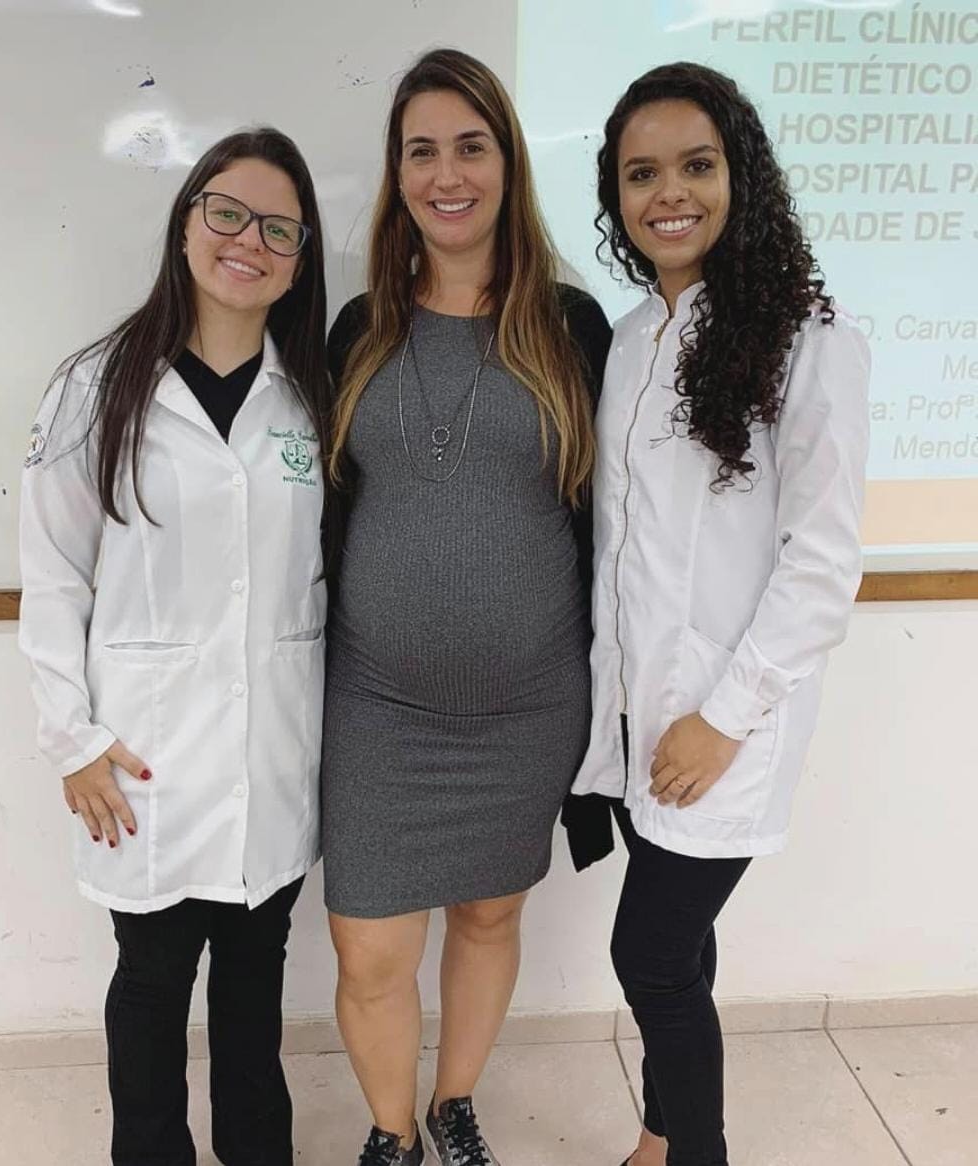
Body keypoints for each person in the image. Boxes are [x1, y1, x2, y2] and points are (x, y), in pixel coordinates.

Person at [564, 62, 870, 1166]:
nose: (669, 193)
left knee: (648, 953)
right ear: (616, 192)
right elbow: (622, 552)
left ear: (742, 173)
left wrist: (723, 716)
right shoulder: (635, 338)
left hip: (723, 725)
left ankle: (697, 1151)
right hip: (646, 719)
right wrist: (618, 722)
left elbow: (824, 564)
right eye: (641, 173)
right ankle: (661, 1133)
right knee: (680, 953)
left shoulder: (808, 336)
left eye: (696, 164)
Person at [321, 47, 611, 1166]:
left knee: (491, 917)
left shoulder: (574, 330)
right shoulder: (356, 329)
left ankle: (453, 1104)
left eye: (471, 145)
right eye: (422, 150)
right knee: (370, 953)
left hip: (526, 707)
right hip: (379, 706)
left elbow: (610, 522)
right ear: (398, 175)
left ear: (508, 161)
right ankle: (391, 1131)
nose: (449, 173)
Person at [18, 127, 329, 1166]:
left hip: (272, 763)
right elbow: (55, 570)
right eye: (227, 212)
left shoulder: (315, 395)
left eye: (279, 226)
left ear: (301, 254)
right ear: (187, 221)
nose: (251, 240)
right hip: (143, 765)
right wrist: (72, 739)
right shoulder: (95, 386)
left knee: (253, 1004)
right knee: (150, 995)